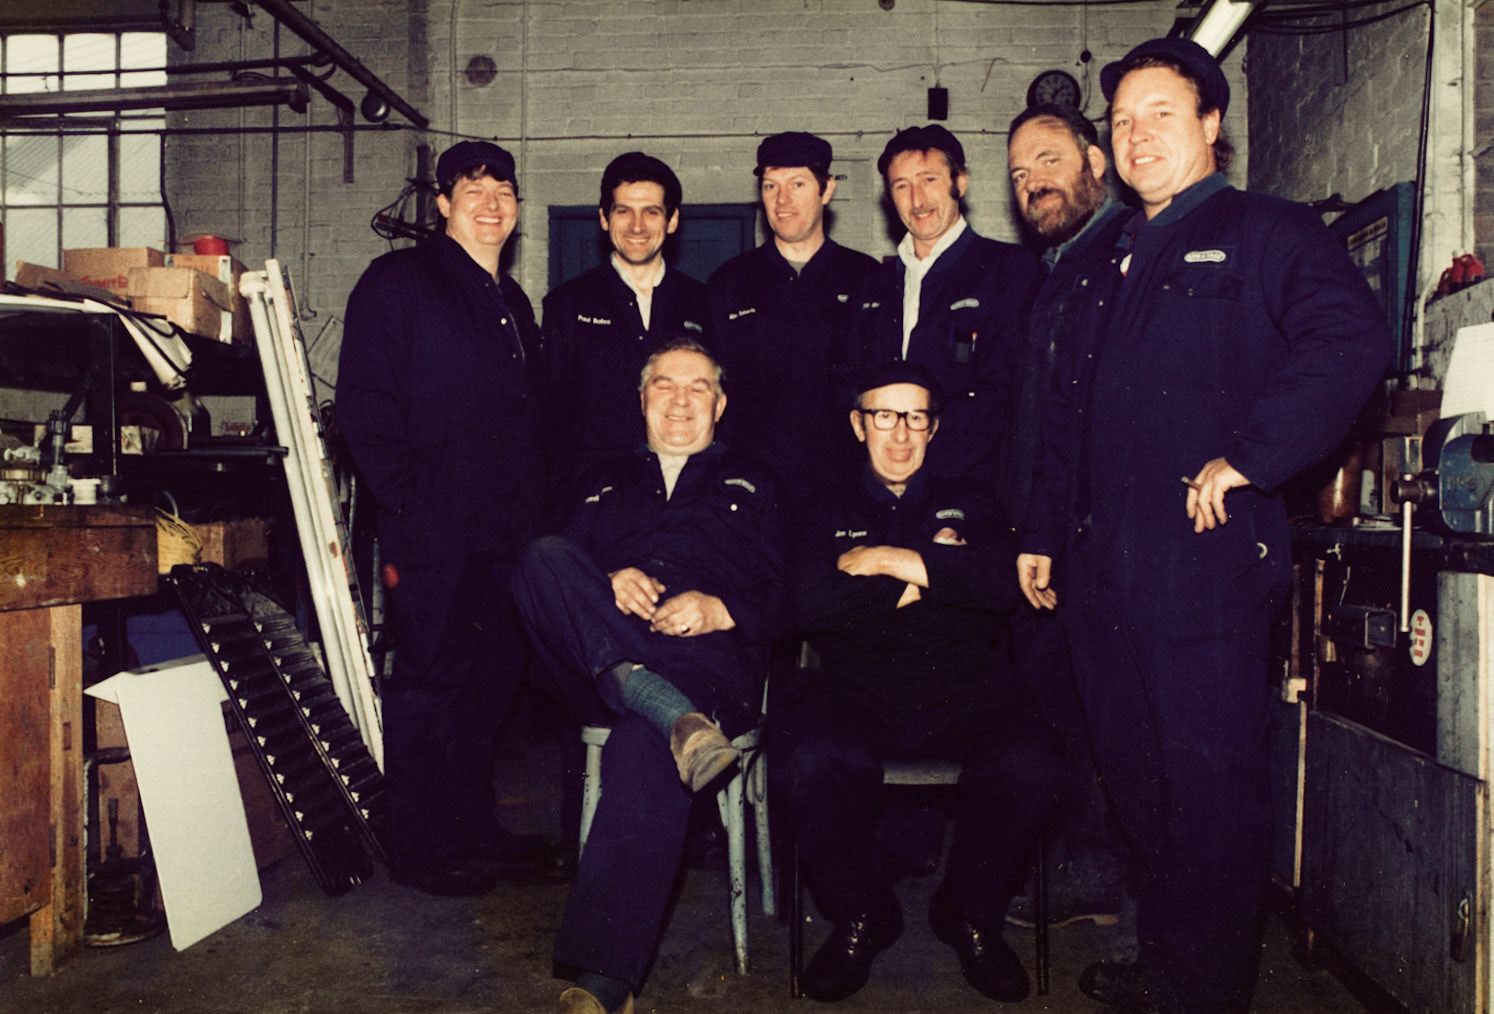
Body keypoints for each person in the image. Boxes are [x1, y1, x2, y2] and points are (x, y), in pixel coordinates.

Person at [1016, 39, 1389, 1014]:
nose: (1137, 136)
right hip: (1104, 582)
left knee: (1211, 798)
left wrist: (1256, 455)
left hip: (1205, 577)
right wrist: (1045, 533)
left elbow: (1351, 339)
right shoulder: (1107, 258)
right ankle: (1172, 961)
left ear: (1212, 124)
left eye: (1161, 114)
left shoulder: (1265, 232)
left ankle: (1207, 992)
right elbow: (1069, 412)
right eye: (1123, 121)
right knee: (1141, 792)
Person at [512, 340, 784, 1014]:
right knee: (543, 555)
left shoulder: (756, 483)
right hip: (604, 655)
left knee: (642, 748)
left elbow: (792, 596)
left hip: (706, 661)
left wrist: (721, 607)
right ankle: (668, 712)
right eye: (666, 385)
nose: (682, 400)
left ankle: (604, 987)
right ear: (642, 400)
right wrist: (605, 582)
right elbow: (559, 581)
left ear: (720, 404)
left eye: (699, 388)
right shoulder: (598, 479)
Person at [778, 361, 1060, 1004]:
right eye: (883, 415)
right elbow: (810, 607)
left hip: (966, 687)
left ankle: (970, 912)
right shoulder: (821, 506)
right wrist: (938, 577)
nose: (900, 434)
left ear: (933, 428)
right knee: (812, 760)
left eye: (915, 417)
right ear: (858, 424)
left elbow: (1001, 588)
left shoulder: (978, 499)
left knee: (1033, 765)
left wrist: (888, 562)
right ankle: (862, 914)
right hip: (856, 686)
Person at [336, 140, 549, 896]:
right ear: (444, 204)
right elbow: (364, 405)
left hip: (505, 534)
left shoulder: (512, 303)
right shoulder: (400, 281)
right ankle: (422, 849)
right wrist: (408, 503)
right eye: (473, 189)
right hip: (434, 532)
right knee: (431, 684)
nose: (491, 202)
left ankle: (472, 827)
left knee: (491, 684)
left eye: (503, 190)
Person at [1002, 103, 1135, 931]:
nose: (1034, 182)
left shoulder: (1120, 256)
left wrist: (1054, 535)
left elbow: (1086, 424)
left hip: (1092, 544)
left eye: (1048, 160)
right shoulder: (1064, 265)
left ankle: (1102, 878)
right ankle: (1087, 861)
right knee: (1069, 705)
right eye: (1020, 174)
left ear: (1094, 157)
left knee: (1099, 714)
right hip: (1053, 538)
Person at [842, 125, 1038, 487]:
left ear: (959, 183)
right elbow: (851, 389)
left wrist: (917, 474)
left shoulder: (1008, 270)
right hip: (881, 490)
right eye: (901, 186)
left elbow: (1002, 394)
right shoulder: (872, 286)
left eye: (929, 179)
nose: (917, 199)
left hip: (972, 490)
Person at [707, 131, 878, 497]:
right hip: (751, 490)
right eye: (770, 186)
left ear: (826, 190)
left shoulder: (867, 278)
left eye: (797, 183)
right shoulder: (730, 282)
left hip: (845, 490)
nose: (782, 200)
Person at [541, 151, 707, 511]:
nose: (637, 226)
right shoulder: (567, 304)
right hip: (592, 501)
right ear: (603, 218)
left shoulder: (704, 303)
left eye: (651, 211)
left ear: (673, 220)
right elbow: (550, 417)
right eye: (623, 211)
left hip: (684, 501)